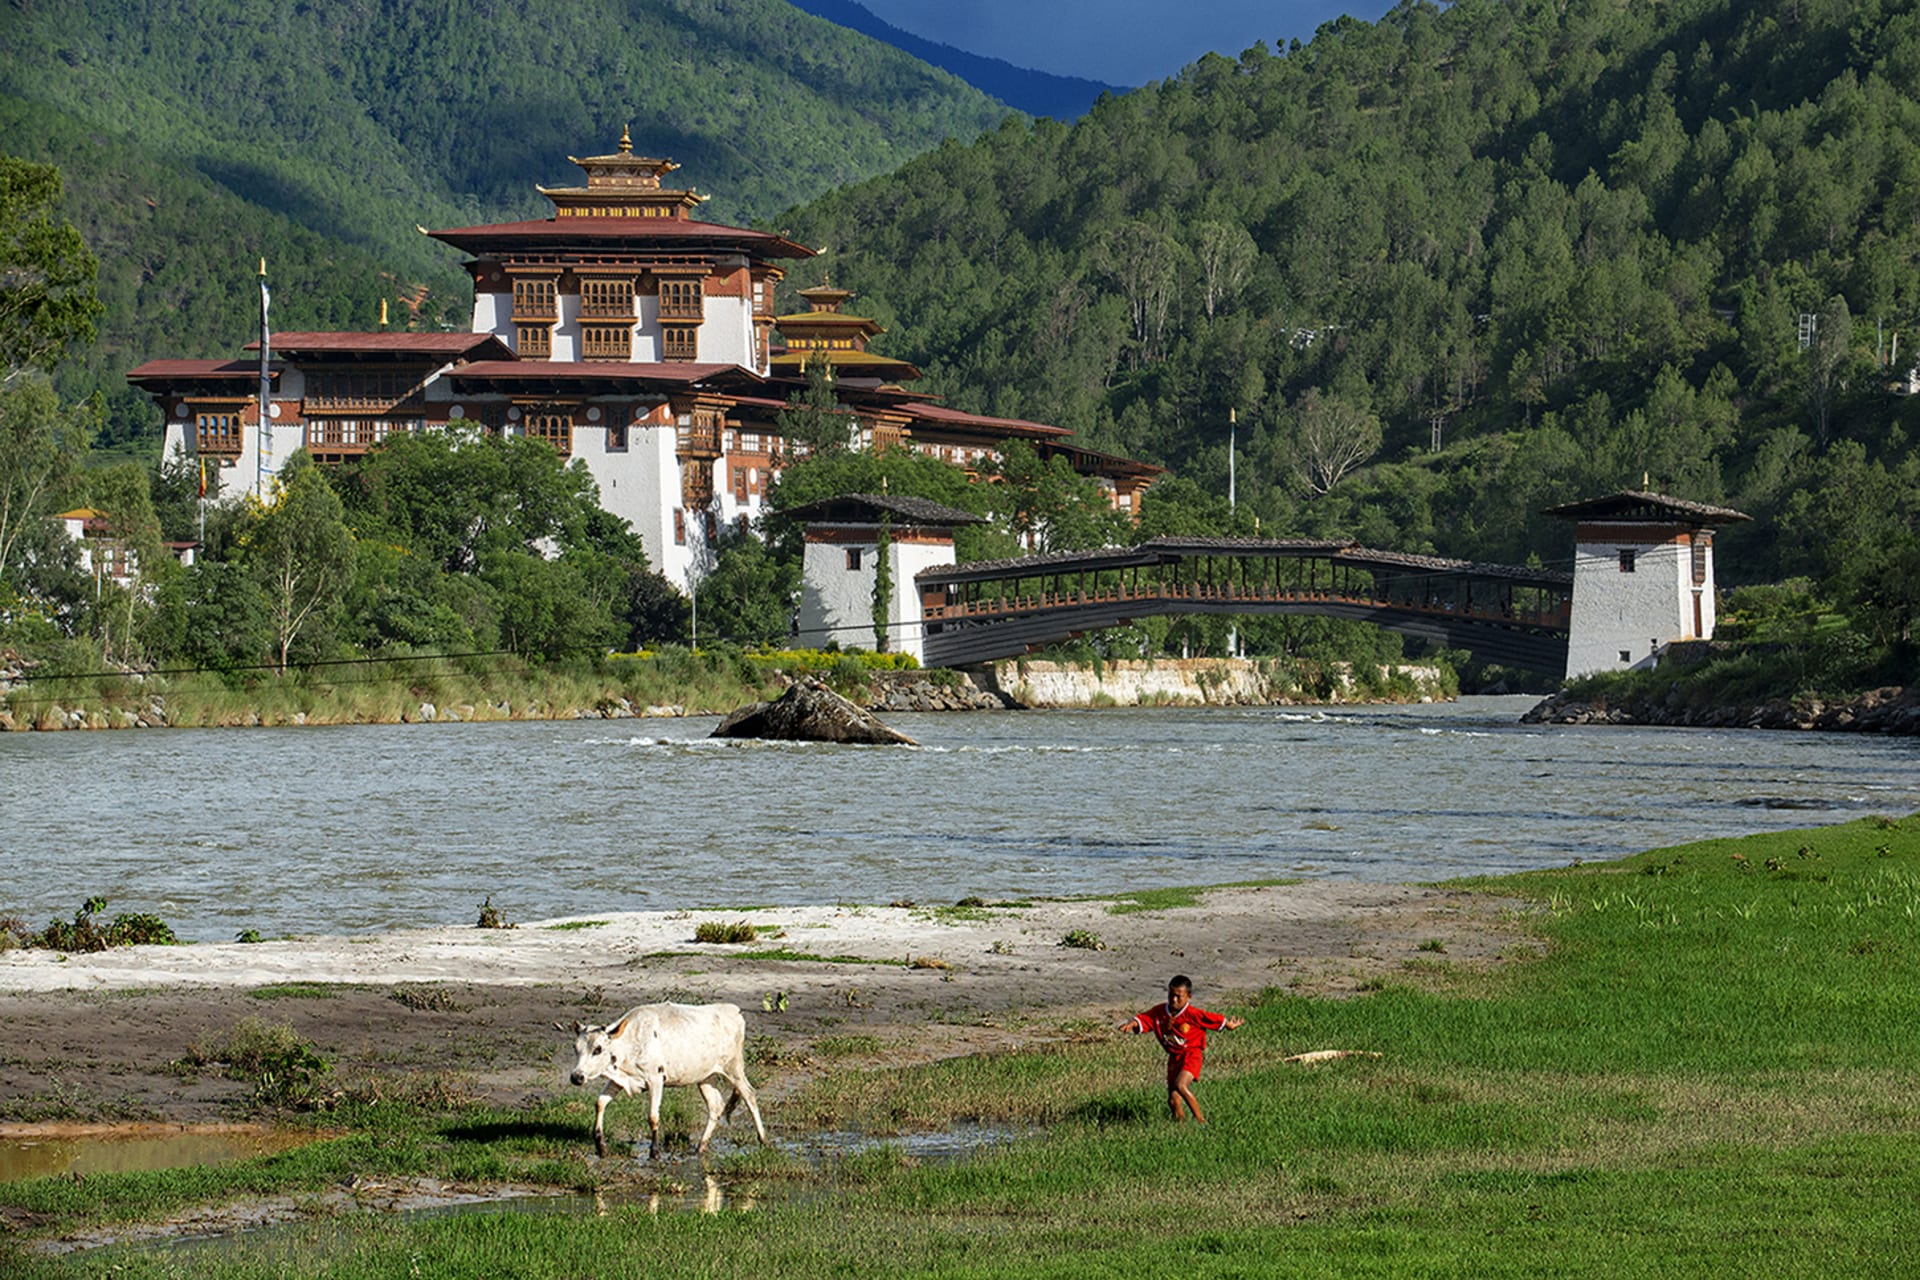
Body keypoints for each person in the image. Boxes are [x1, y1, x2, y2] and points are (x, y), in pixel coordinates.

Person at [1119, 974, 1244, 1123]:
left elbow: (1211, 1019)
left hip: (1191, 1055)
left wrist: (1229, 1025)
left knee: (1181, 1084)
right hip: (1174, 1058)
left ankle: (1201, 1123)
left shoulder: (1193, 1014)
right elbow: (1146, 1018)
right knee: (1173, 1100)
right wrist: (1132, 1024)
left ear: (1188, 996)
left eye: (1179, 997)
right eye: (1171, 995)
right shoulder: (1160, 1012)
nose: (1174, 1000)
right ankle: (1181, 1128)